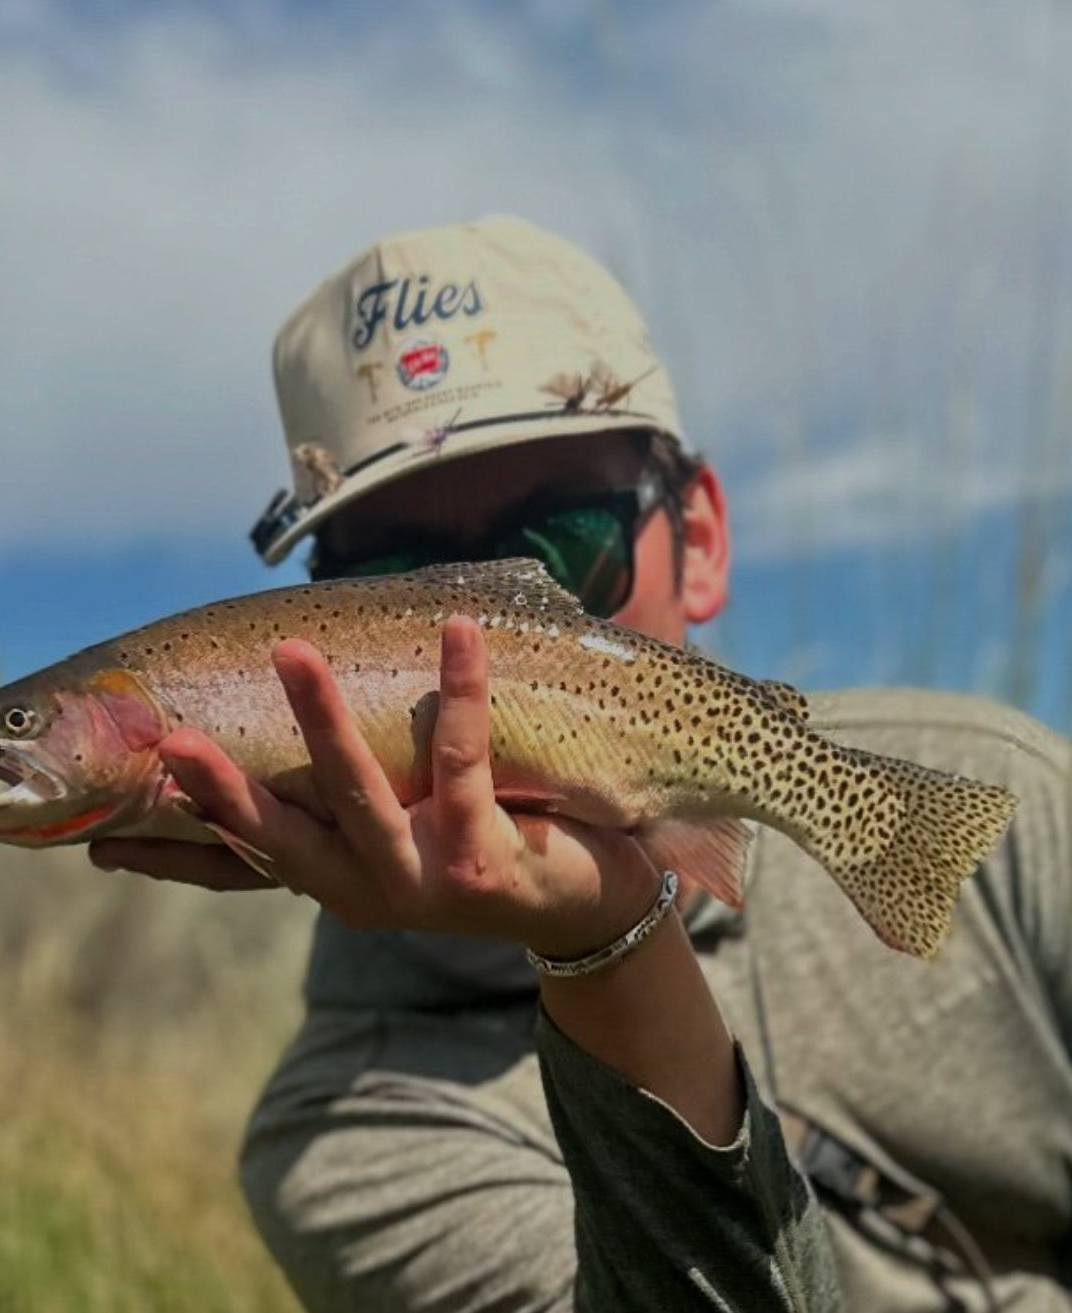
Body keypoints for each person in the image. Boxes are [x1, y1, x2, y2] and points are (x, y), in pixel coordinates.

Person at [91, 216, 1072, 1312]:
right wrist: (608, 945)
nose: (470, 646)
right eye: (397, 582)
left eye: (562, 549)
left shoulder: (1016, 806)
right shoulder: (347, 1141)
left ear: (699, 540)